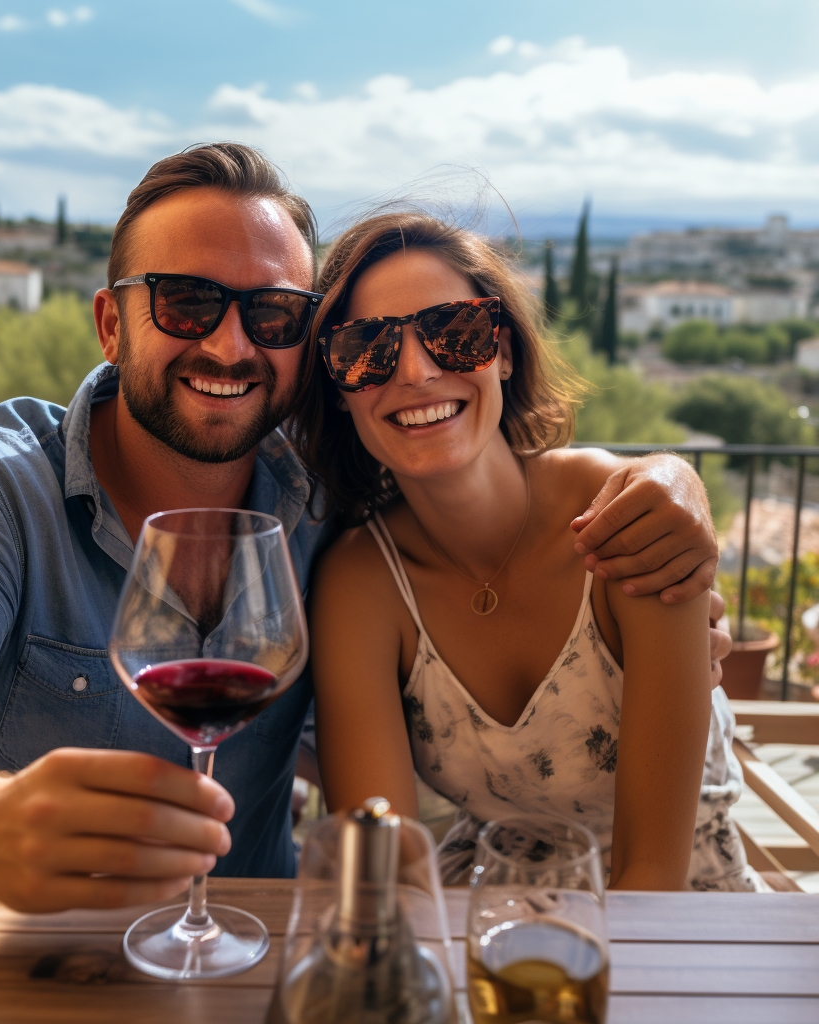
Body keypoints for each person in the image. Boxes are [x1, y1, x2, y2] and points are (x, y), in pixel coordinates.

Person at [0, 144, 727, 912]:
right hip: (6, 957)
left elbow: (479, 500)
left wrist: (669, 484)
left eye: (274, 313)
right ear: (110, 324)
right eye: (188, 302)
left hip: (249, 948)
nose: (232, 345)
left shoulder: (324, 504)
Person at [296, 210, 759, 891]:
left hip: (676, 919)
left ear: (503, 351)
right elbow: (386, 876)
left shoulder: (626, 519)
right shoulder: (359, 581)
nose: (418, 371)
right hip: (485, 908)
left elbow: (652, 876)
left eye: (455, 333)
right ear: (339, 388)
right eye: (366, 348)